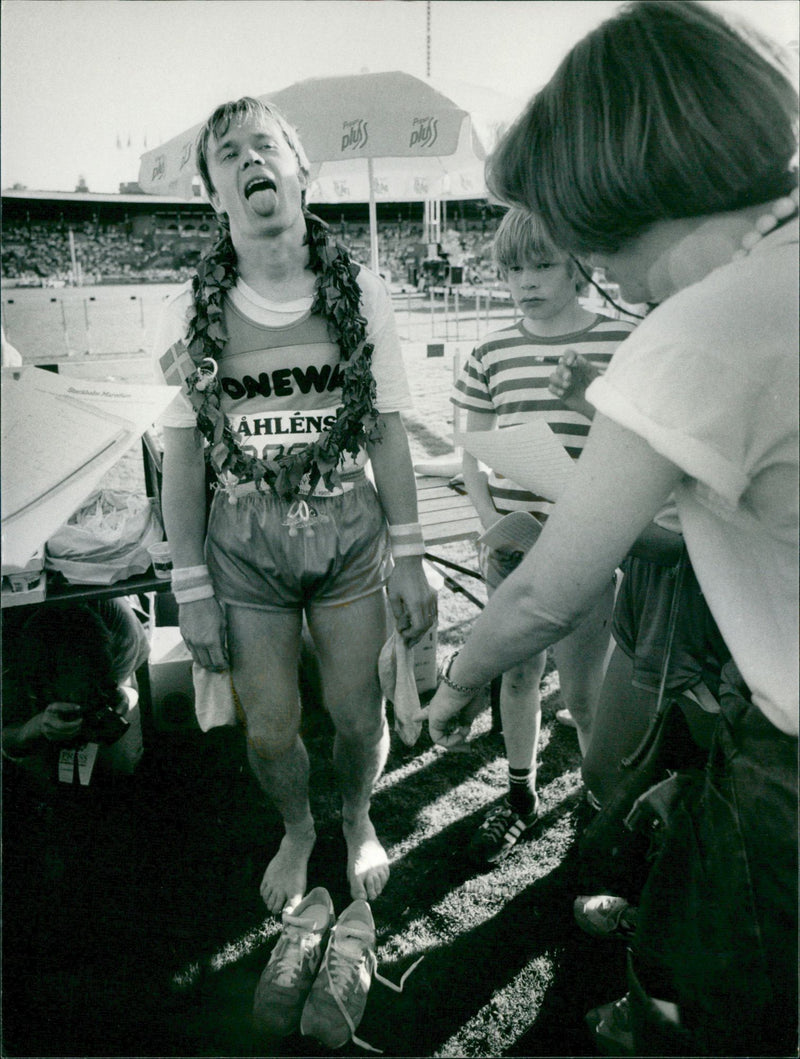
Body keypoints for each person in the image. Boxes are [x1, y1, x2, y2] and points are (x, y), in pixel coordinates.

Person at [427, 2, 798, 1054]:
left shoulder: (706, 320)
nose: (612, 288)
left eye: (596, 257)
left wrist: (456, 682)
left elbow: (549, 588)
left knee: (725, 1021)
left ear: (627, 195)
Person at [154, 97, 436, 916]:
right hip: (244, 543)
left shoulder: (363, 293)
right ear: (214, 195)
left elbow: (384, 428)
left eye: (264, 144)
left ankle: (356, 815)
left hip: (348, 530)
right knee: (271, 728)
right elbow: (180, 451)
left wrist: (412, 557)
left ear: (300, 170)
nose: (249, 159)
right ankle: (297, 828)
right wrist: (190, 588)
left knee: (358, 713)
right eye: (228, 154)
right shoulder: (189, 309)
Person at [450, 207, 631, 864]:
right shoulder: (490, 351)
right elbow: (470, 450)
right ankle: (521, 793)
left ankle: (597, 802)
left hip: (590, 547)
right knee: (519, 674)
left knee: (587, 691)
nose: (524, 280)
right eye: (512, 268)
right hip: (516, 544)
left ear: (578, 262)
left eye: (541, 264)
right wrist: (488, 521)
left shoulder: (621, 341)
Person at [2, 598, 149, 785]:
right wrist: (36, 727)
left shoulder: (122, 631)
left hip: (117, 651)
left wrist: (124, 697)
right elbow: (7, 739)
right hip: (20, 670)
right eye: (73, 697)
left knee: (122, 764)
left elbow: (124, 687)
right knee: (36, 776)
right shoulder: (7, 662)